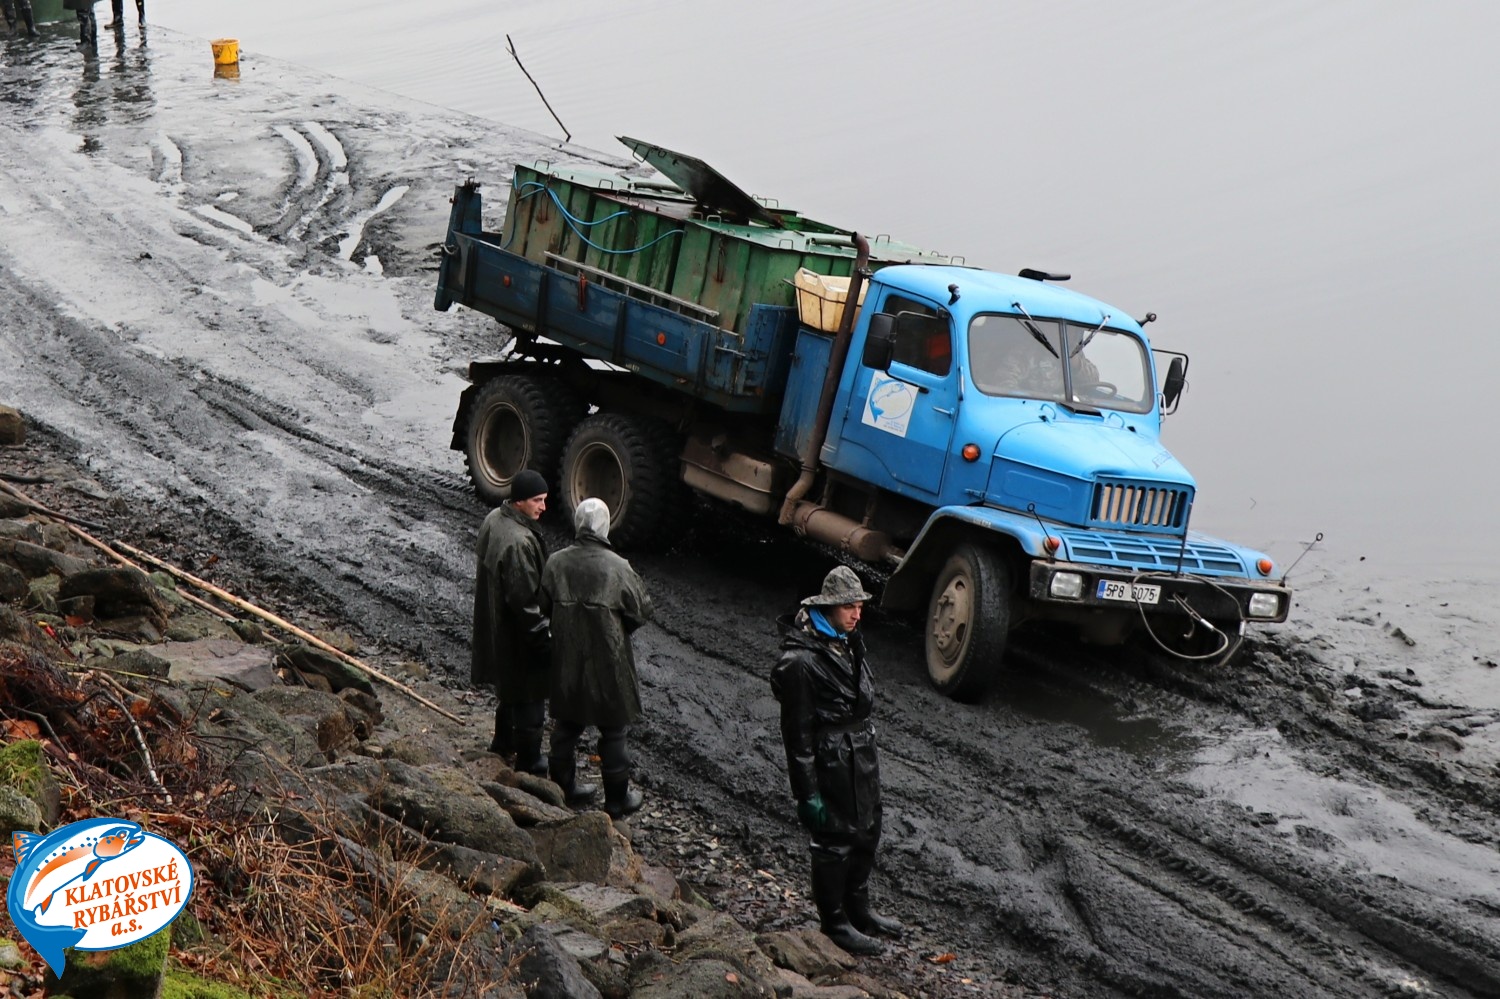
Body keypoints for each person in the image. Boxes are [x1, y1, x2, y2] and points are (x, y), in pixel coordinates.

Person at [770, 566, 904, 956]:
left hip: (860, 751)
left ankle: (858, 908)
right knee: (834, 841)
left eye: (859, 606)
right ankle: (834, 922)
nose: (857, 614)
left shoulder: (848, 643)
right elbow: (796, 734)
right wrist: (807, 793)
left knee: (868, 831)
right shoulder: (800, 661)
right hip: (832, 758)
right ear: (828, 608)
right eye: (849, 607)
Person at [540, 497, 653, 818]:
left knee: (566, 726)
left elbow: (543, 606)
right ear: (605, 527)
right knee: (614, 731)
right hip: (609, 661)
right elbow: (640, 613)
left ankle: (561, 791)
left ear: (578, 524)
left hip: (567, 658)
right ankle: (616, 801)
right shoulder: (619, 567)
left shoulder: (556, 563)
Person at [470, 469, 551, 776]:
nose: (543, 507)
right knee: (530, 694)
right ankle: (530, 761)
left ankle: (503, 743)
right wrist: (544, 640)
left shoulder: (494, 518)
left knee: (509, 689)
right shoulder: (519, 542)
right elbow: (525, 602)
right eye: (537, 500)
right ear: (519, 502)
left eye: (544, 499)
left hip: (497, 624)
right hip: (517, 634)